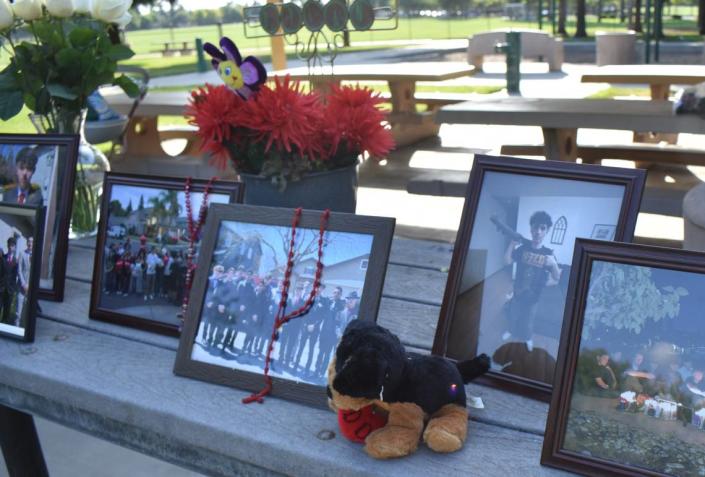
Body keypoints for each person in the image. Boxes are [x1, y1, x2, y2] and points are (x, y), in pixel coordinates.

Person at [500, 211, 561, 352]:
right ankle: (510, 330)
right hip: (517, 292)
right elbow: (507, 261)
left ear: (547, 231)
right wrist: (511, 244)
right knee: (513, 315)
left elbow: (556, 278)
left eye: (542, 228)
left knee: (528, 321)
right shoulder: (522, 249)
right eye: (535, 228)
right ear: (531, 229)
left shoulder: (549, 253)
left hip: (534, 297)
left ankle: (527, 338)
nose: (538, 232)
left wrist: (554, 264)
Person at [314, 286, 346, 378]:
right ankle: (316, 371)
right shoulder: (329, 302)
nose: (335, 294)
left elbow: (340, 320)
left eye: (338, 293)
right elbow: (322, 303)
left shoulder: (341, 306)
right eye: (334, 292)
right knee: (320, 352)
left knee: (327, 354)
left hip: (332, 335)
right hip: (324, 332)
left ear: (340, 295)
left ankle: (321, 372)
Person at [1, 237, 19, 326]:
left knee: (7, 311)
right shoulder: (2, 258)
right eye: (9, 245)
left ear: (15, 247)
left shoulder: (16, 261)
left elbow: (15, 276)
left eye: (12, 245)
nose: (10, 247)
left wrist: (13, 289)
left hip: (10, 290)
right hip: (1, 288)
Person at [16, 236, 32, 327]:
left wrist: (30, 285)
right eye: (29, 242)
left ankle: (23, 331)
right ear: (27, 243)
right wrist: (24, 284)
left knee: (26, 313)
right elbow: (19, 270)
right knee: (18, 312)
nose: (30, 243)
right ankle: (15, 330)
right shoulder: (22, 253)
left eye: (32, 242)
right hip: (22, 287)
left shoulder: (36, 256)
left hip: (31, 288)